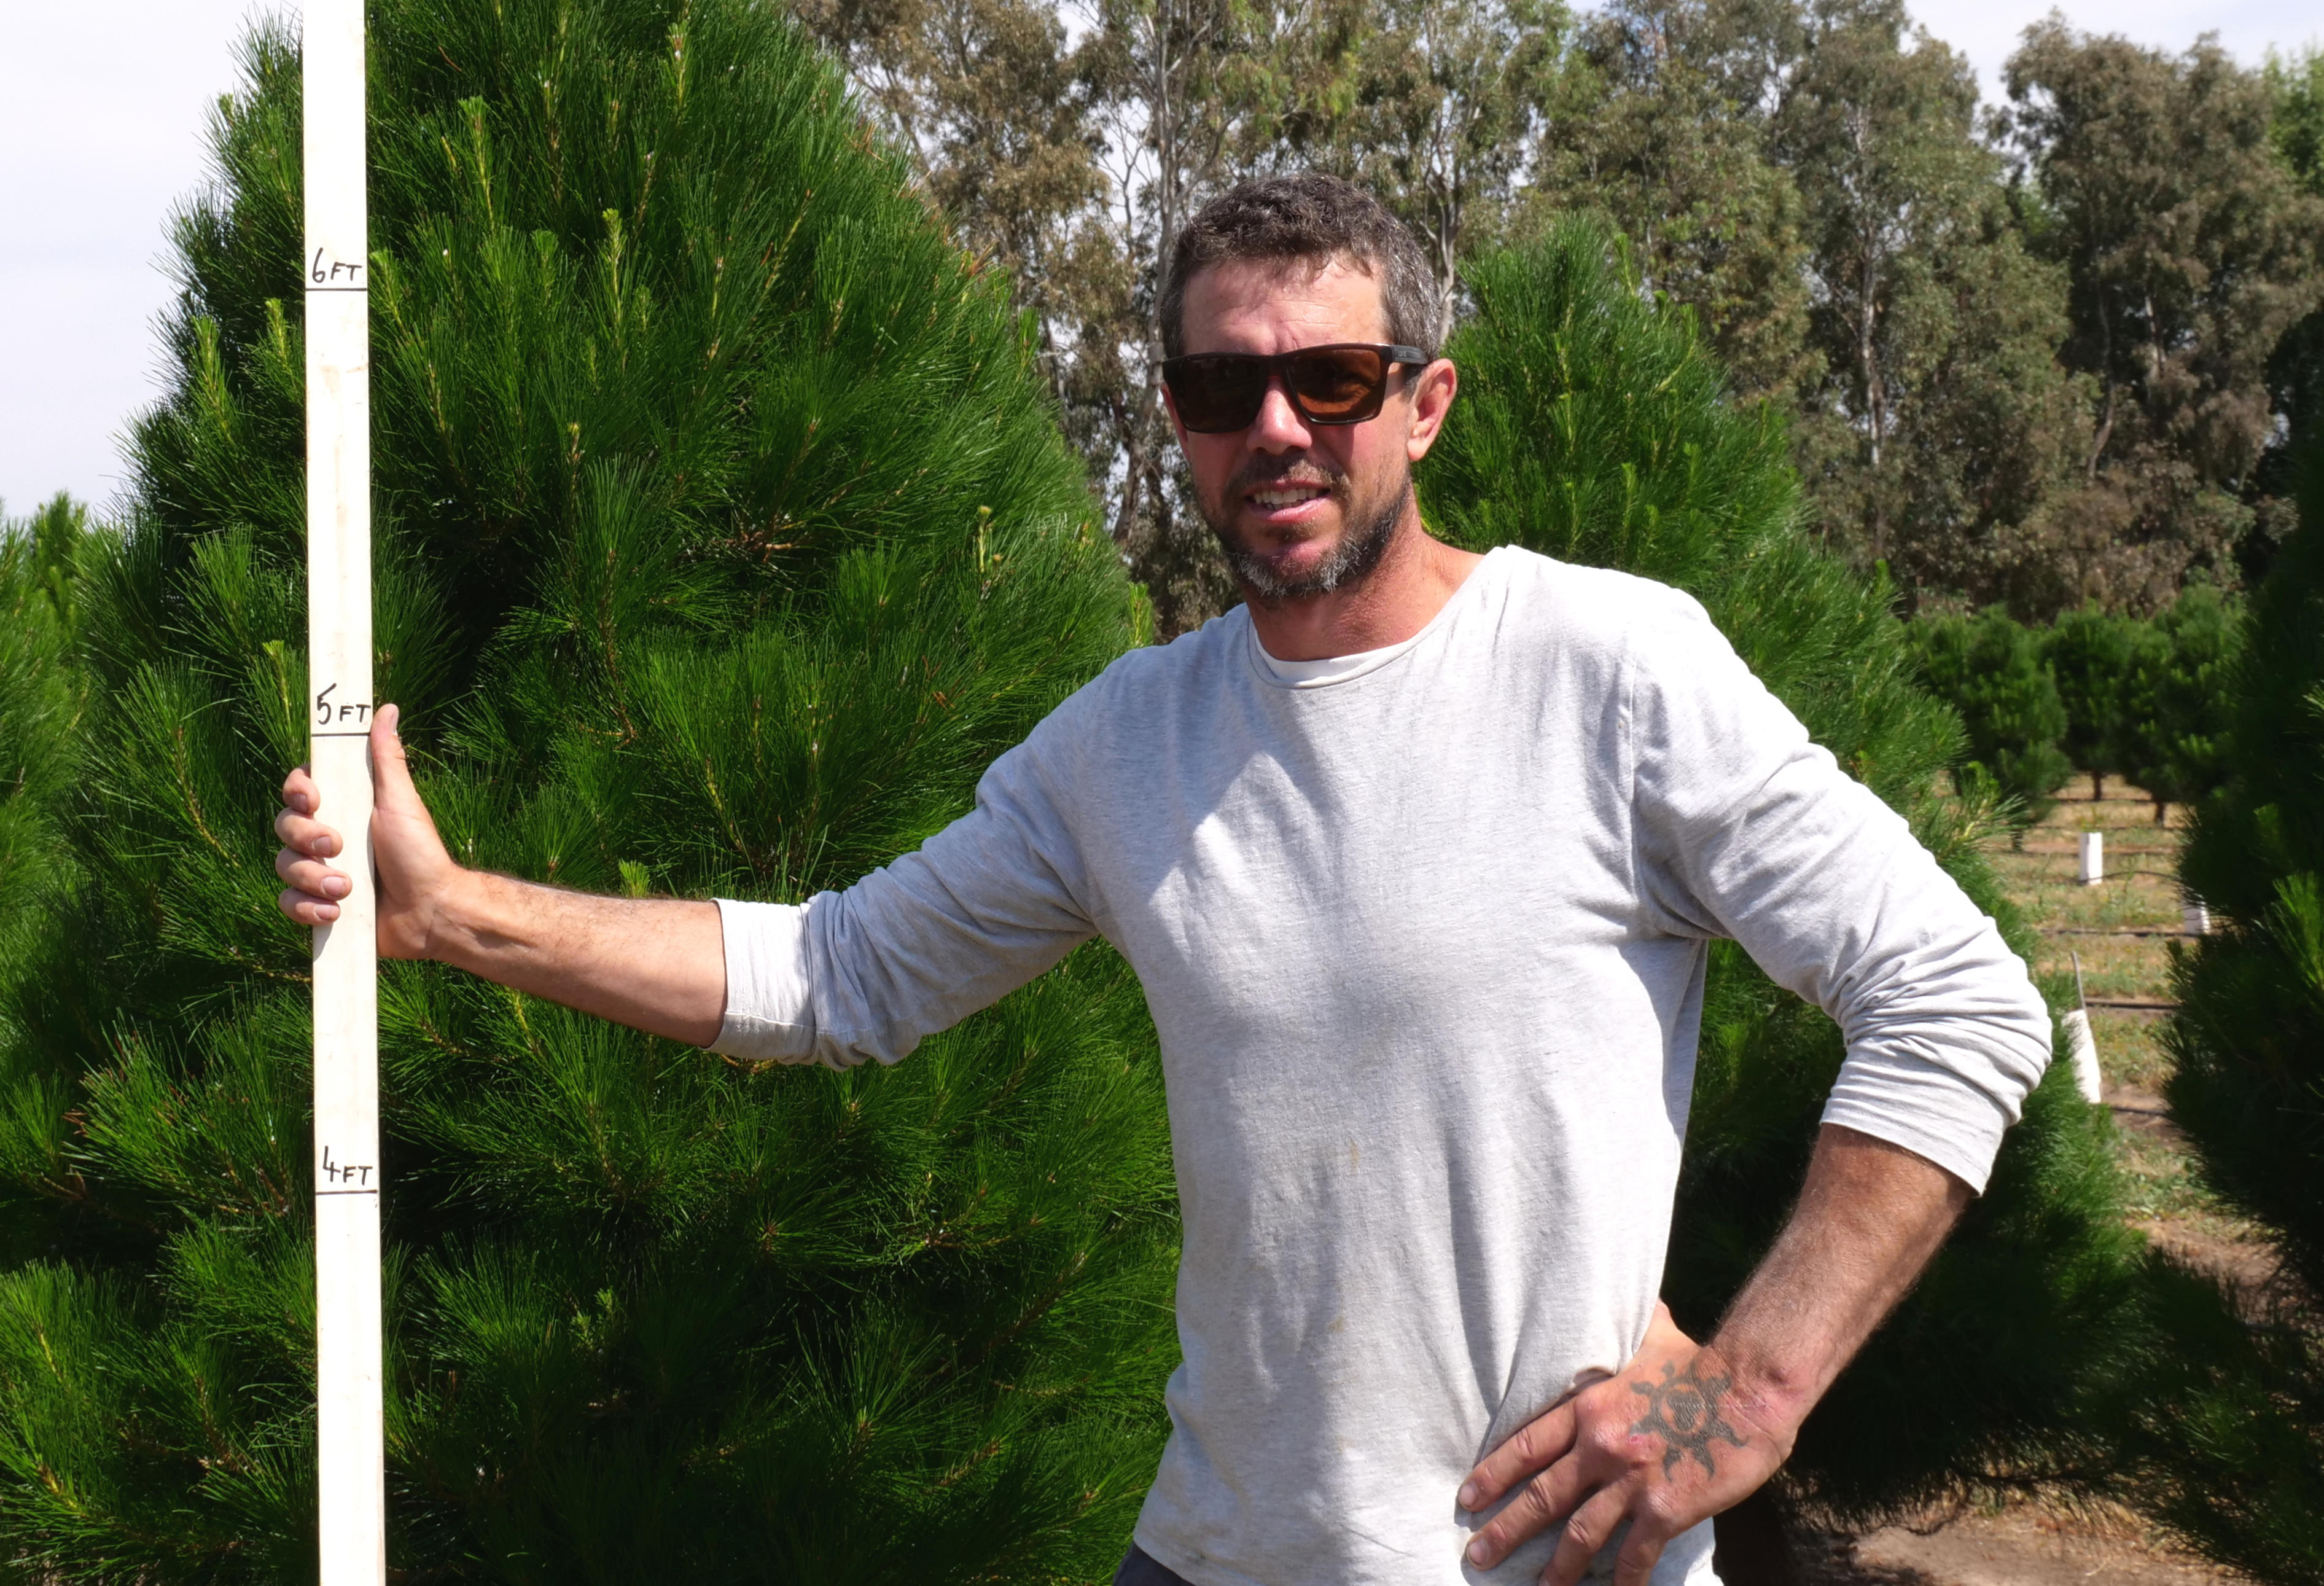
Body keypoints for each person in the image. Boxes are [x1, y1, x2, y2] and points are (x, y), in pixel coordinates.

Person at [275, 173, 2053, 1586]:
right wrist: (455, 917)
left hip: (1541, 1565)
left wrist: (1747, 1389)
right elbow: (840, 974)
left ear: (1422, 406)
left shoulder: (1610, 669)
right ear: (1180, 424)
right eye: (1223, 387)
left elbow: (1958, 999)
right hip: (1205, 1558)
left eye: (1331, 380)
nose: (1276, 425)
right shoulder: (1127, 743)